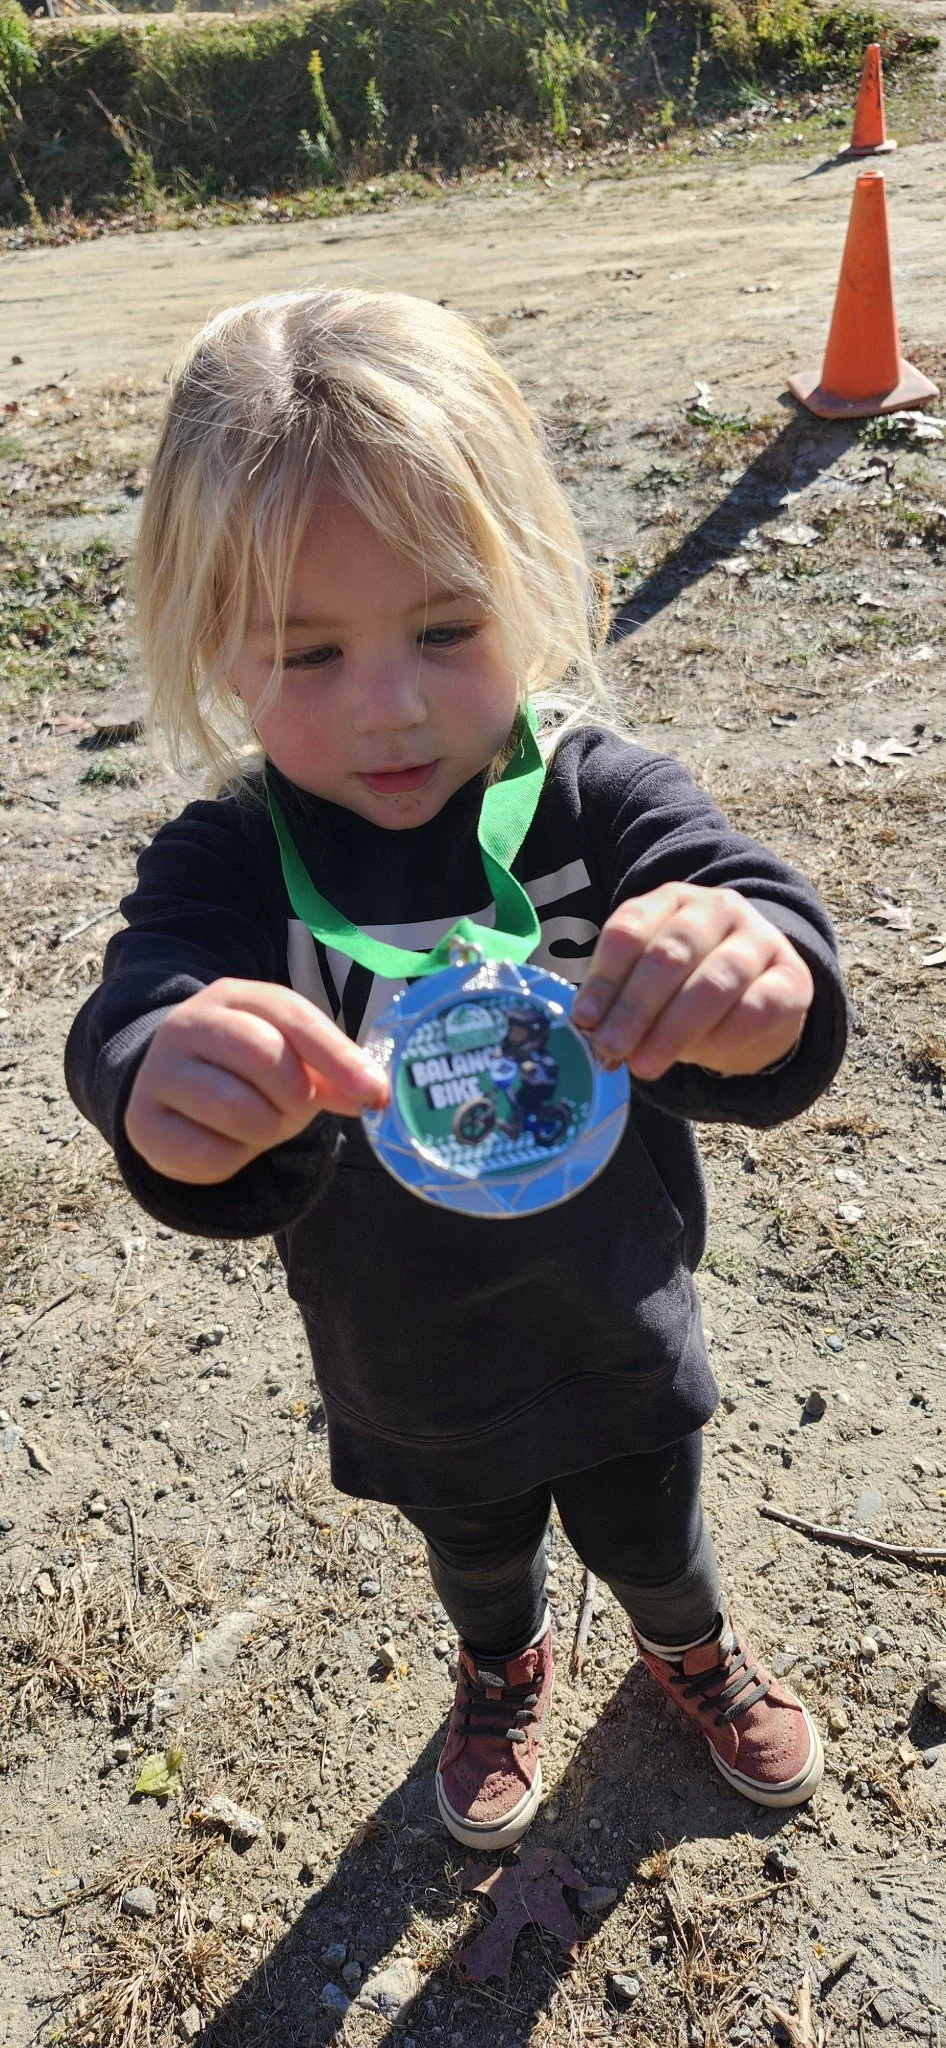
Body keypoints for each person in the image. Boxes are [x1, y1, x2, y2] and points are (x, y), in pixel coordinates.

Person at [65, 287, 848, 1853]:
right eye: (306, 651)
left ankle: (683, 1646)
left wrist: (753, 975)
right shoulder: (233, 861)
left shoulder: (587, 793)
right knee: (471, 1544)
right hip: (402, 1342)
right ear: (215, 653)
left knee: (653, 1521)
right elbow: (140, 998)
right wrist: (160, 1072)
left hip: (615, 1302)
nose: (392, 703)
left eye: (444, 627)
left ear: (528, 583)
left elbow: (752, 911)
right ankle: (498, 1667)